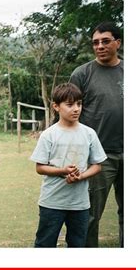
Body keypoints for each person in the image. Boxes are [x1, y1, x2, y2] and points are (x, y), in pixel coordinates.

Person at [30, 83, 107, 248]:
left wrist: (81, 176)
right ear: (56, 107)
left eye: (79, 103)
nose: (76, 109)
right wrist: (62, 171)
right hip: (52, 202)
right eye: (70, 104)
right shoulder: (49, 135)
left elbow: (97, 165)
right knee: (45, 244)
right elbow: (40, 167)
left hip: (80, 204)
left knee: (77, 245)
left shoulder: (89, 133)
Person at [69, 21, 124, 247]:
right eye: (95, 43)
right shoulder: (82, 74)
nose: (99, 46)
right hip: (98, 157)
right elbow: (66, 115)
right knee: (90, 215)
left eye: (105, 41)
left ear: (118, 43)